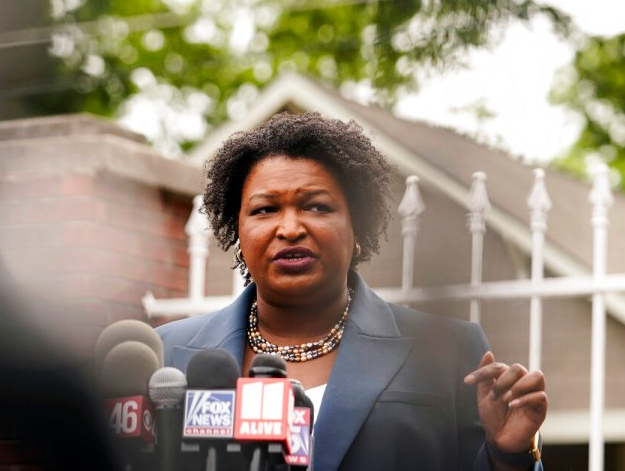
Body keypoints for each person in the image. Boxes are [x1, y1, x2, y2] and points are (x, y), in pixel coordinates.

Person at [157, 112, 547, 470]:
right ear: (238, 232)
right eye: (264, 210)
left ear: (357, 228)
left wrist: (509, 453)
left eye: (316, 207)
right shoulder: (167, 355)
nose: (290, 228)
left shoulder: (449, 349)